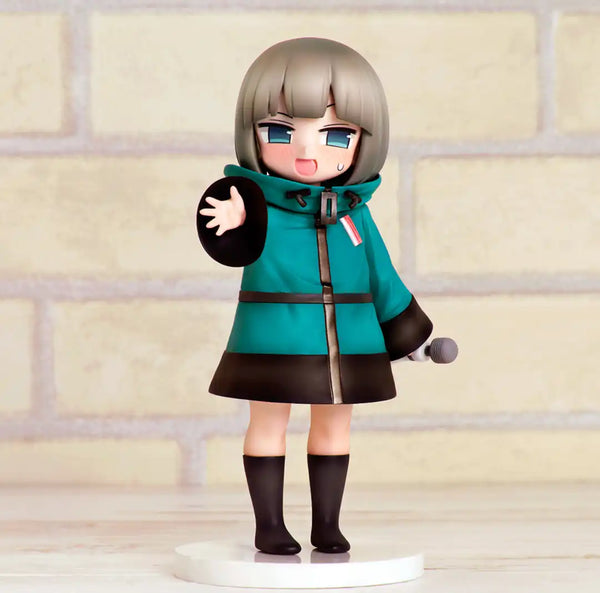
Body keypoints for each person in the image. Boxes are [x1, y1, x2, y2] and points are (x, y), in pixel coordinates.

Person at [197, 38, 433, 555]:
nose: (306, 152)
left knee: (334, 425)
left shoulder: (355, 214)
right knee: (268, 422)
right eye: (281, 131)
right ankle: (269, 526)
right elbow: (233, 245)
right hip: (273, 336)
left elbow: (382, 278)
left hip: (347, 339)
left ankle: (327, 525)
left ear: (364, 140)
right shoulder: (255, 206)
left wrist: (411, 335)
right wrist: (234, 222)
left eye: (335, 134)